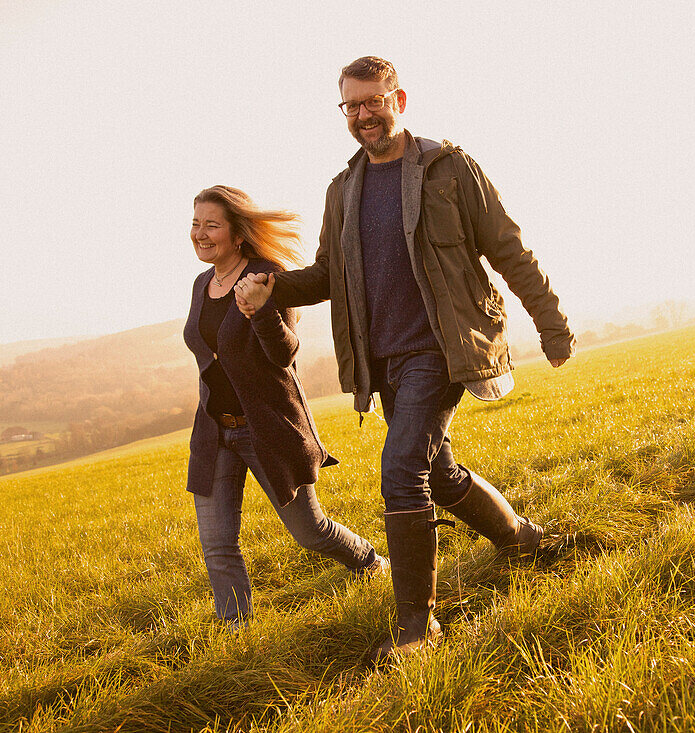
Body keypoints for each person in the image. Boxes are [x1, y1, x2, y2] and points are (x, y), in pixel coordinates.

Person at [235, 56, 574, 658]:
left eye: (374, 101)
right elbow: (325, 276)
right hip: (382, 359)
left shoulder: (449, 168)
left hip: (442, 348)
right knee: (437, 474)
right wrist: (272, 288)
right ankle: (524, 540)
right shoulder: (343, 190)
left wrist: (551, 322)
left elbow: (507, 247)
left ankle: (417, 624)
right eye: (352, 106)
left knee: (401, 472)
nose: (363, 114)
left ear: (400, 99)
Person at [184, 185, 385, 628]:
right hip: (215, 431)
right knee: (217, 545)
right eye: (195, 223)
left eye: (211, 224)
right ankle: (237, 633)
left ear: (238, 234)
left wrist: (261, 312)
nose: (200, 233)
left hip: (267, 428)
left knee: (310, 531)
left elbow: (286, 354)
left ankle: (370, 562)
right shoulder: (203, 284)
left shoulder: (266, 275)